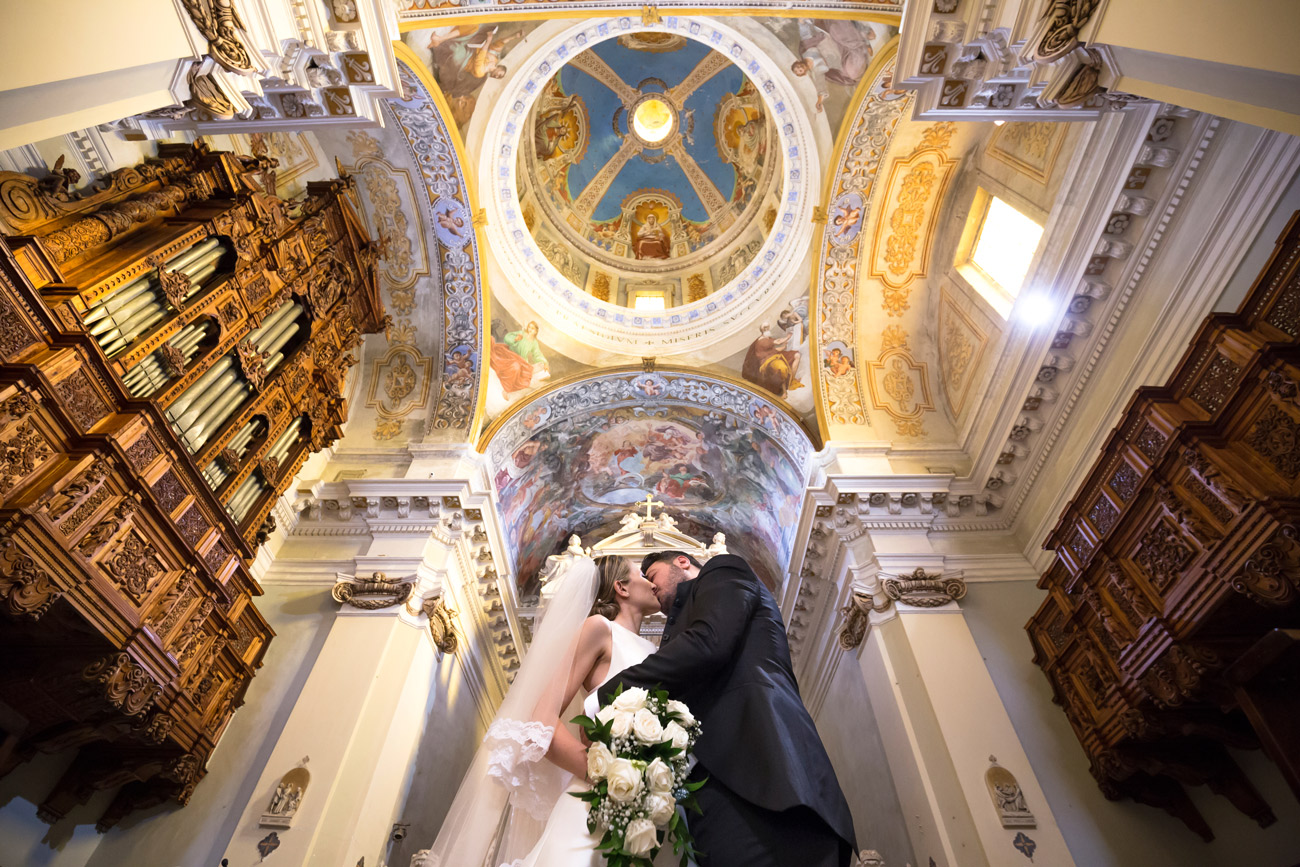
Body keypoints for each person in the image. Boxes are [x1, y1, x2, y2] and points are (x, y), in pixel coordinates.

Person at [412, 552, 674, 867]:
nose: (653, 584)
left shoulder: (659, 652)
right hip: (596, 803)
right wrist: (604, 773)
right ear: (621, 587)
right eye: (642, 575)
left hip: (649, 809)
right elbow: (542, 721)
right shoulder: (600, 629)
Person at [599, 551, 857, 867]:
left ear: (681, 562)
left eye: (652, 576)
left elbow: (709, 641)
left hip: (763, 778)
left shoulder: (722, 570)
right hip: (715, 791)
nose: (651, 588)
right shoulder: (674, 631)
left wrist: (611, 693)